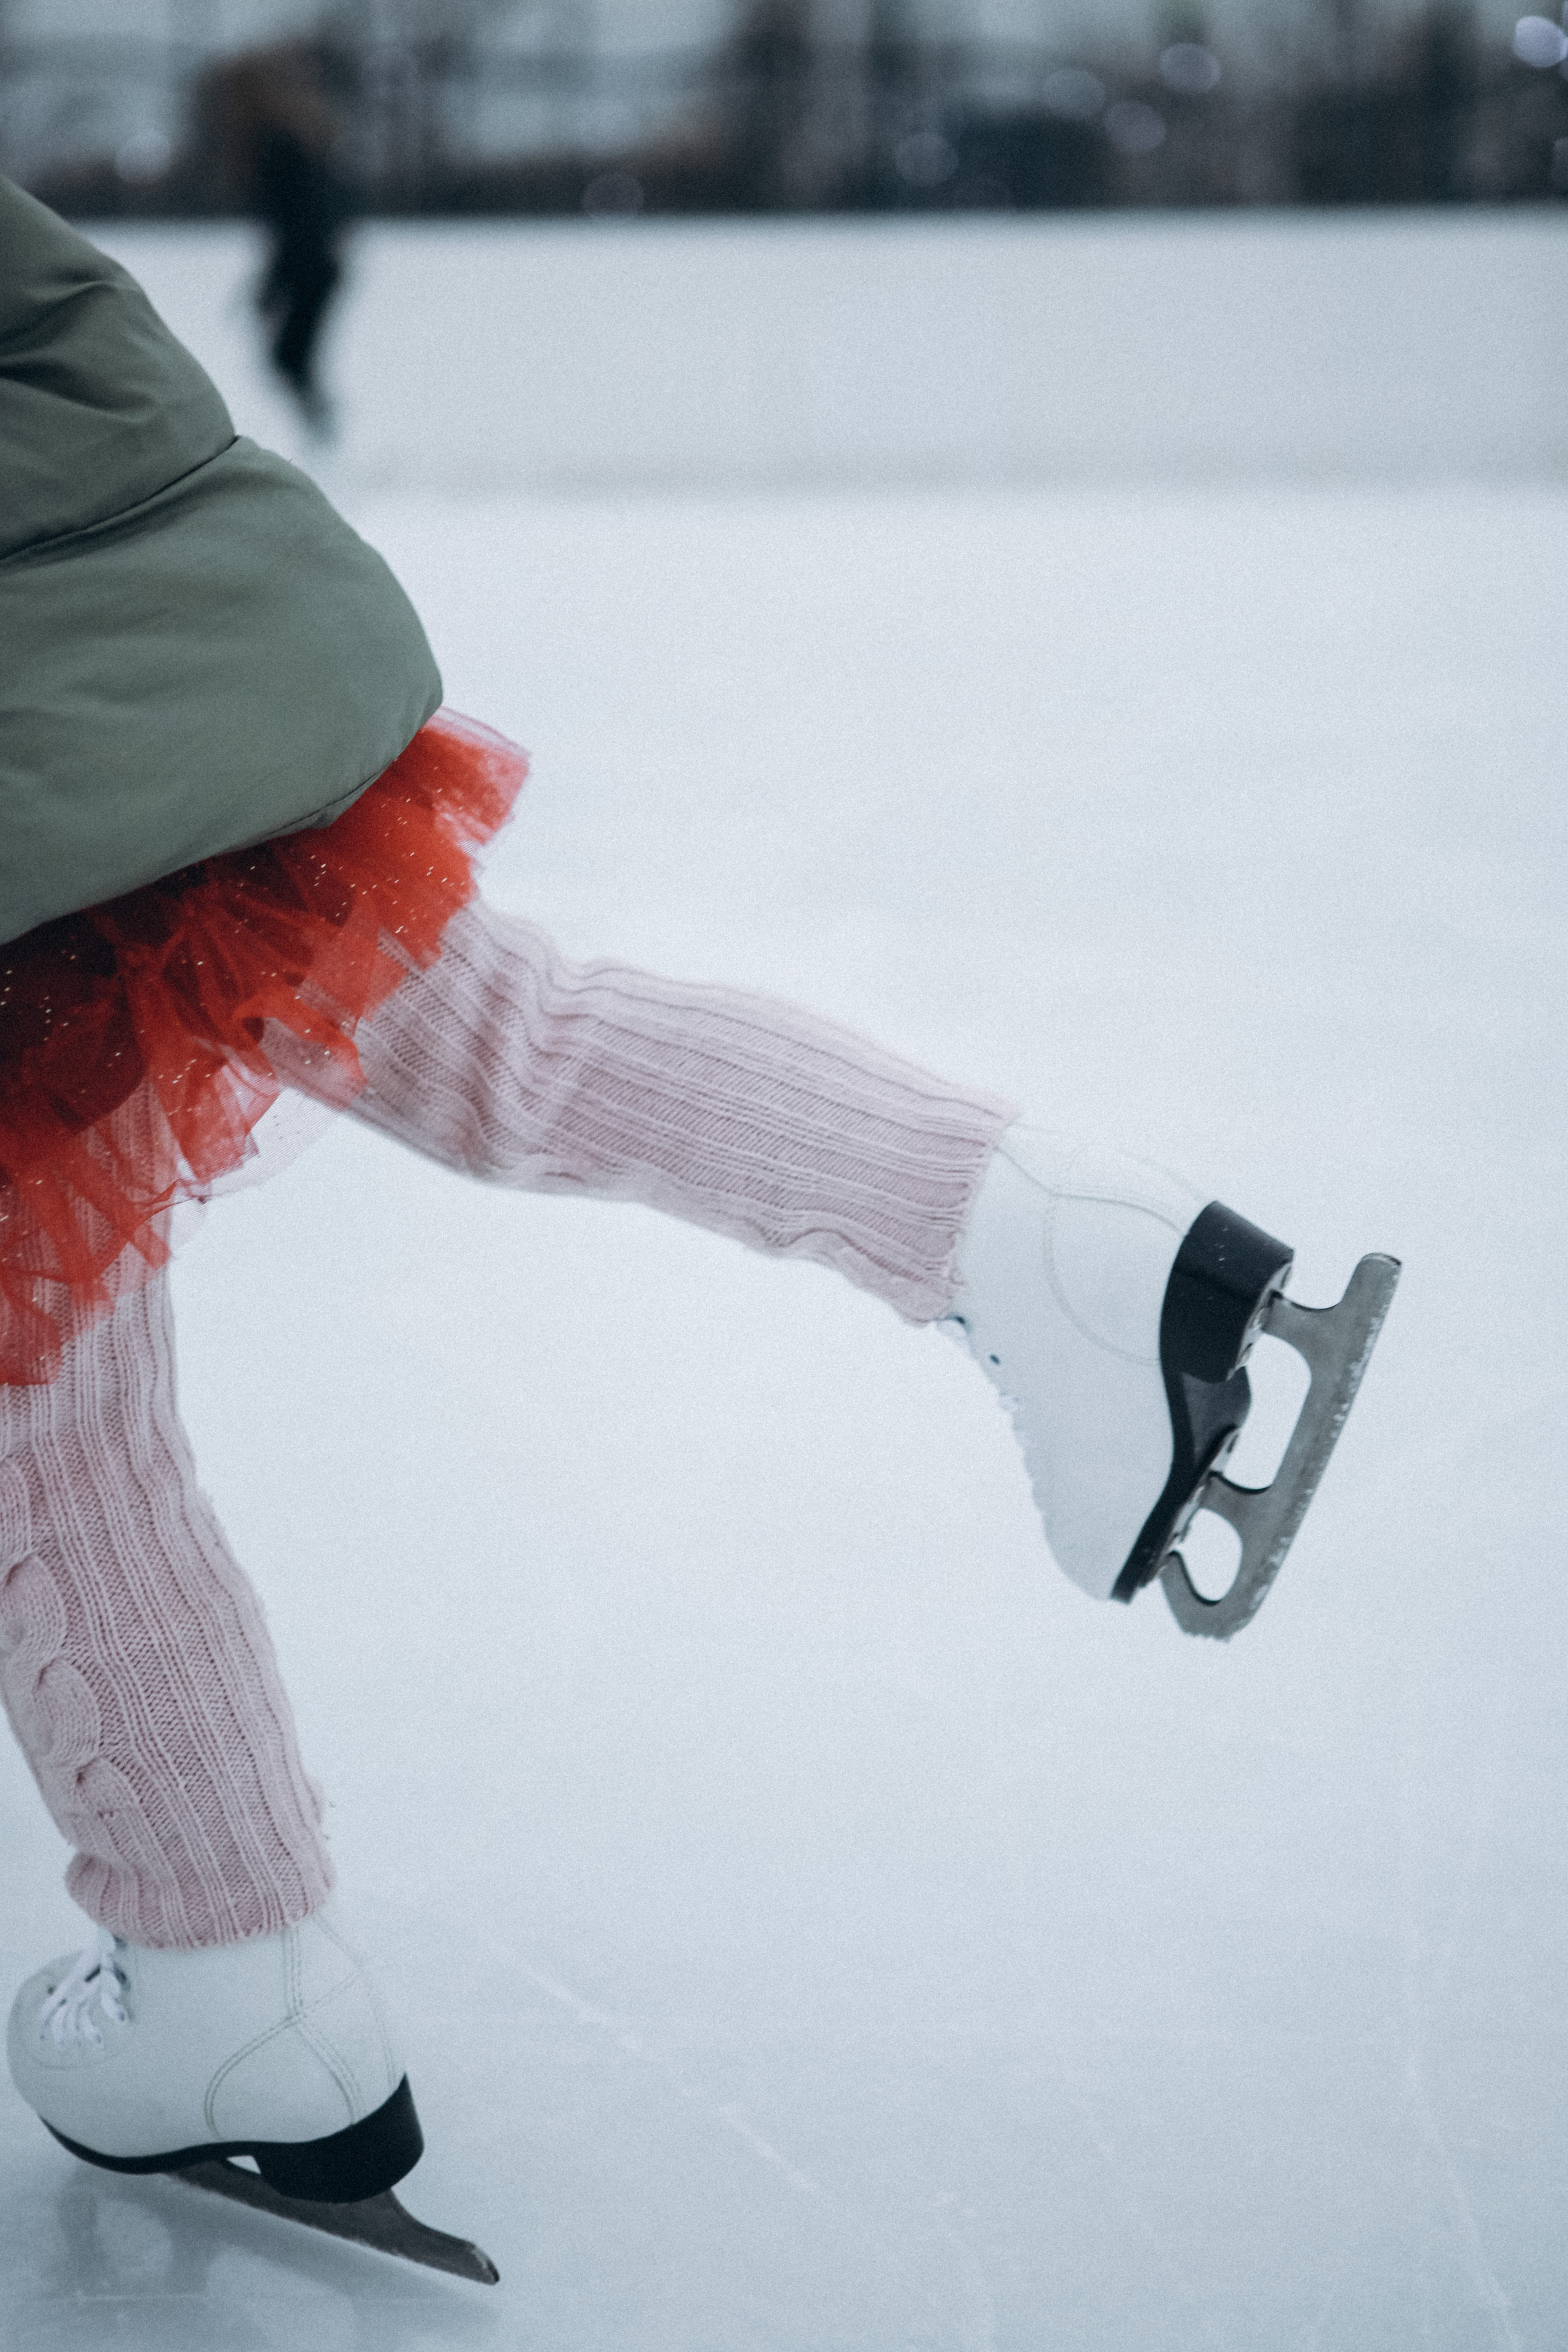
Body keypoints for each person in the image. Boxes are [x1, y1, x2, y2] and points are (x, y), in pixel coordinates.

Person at [0, 179, 1395, 2269]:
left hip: (43, 754)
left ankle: (232, 1982)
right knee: (513, 1043)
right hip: (226, 646)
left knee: (49, 1412)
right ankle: (1074, 1251)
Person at [199, 42, 352, 432]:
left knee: (289, 357)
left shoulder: (278, 147)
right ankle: (323, 436)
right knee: (290, 359)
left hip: (311, 264)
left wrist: (274, 282)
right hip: (314, 262)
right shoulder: (286, 141)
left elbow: (300, 222)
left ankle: (327, 439)